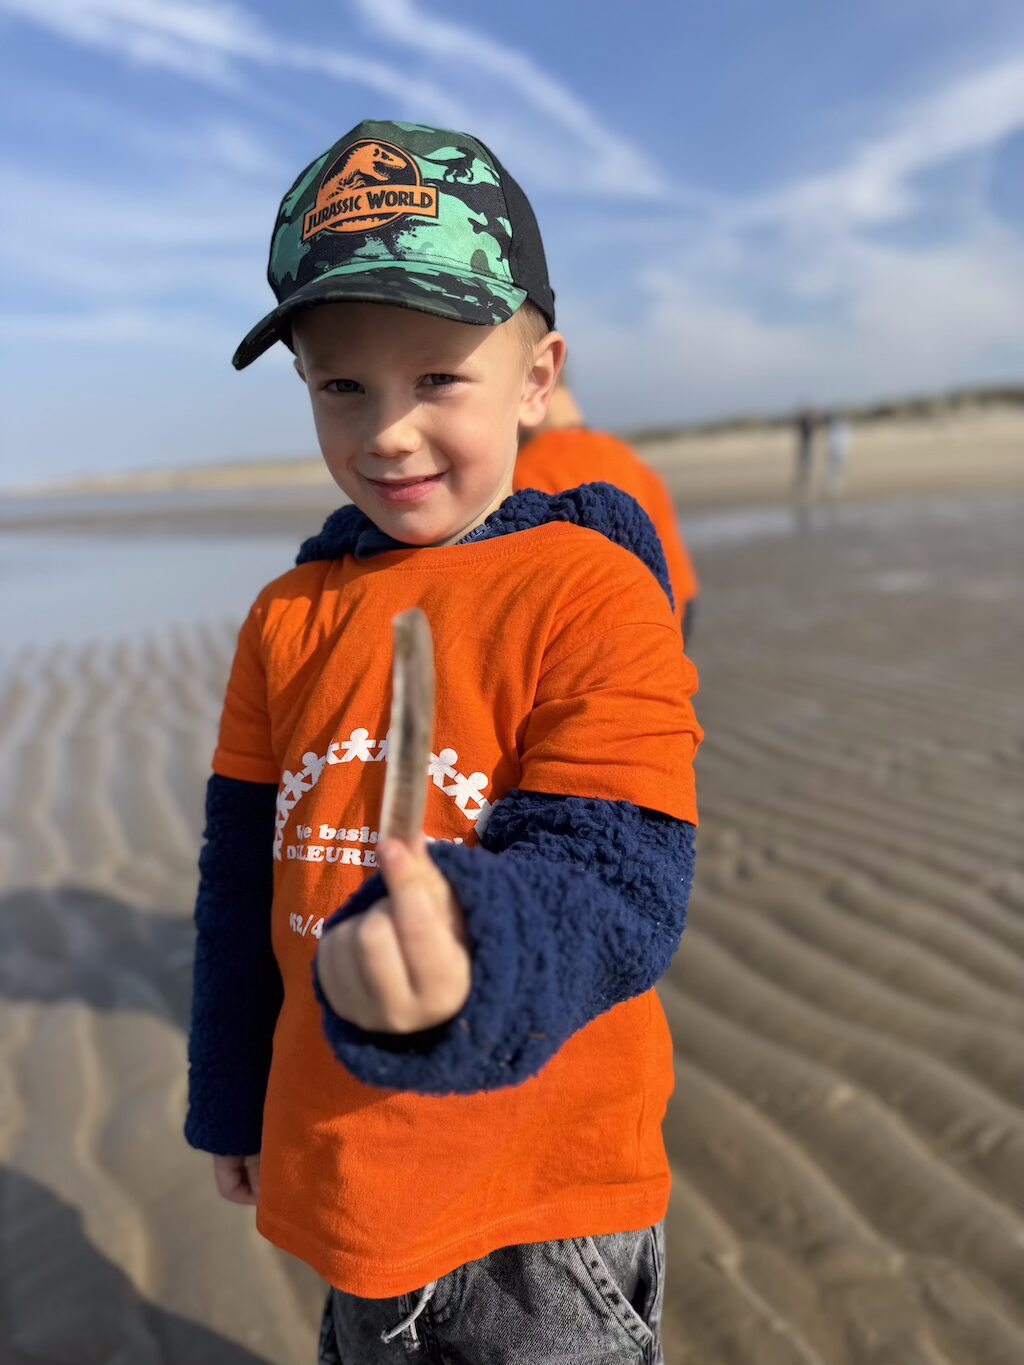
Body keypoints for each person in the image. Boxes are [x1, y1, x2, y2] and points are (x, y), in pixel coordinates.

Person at [184, 118, 702, 1365]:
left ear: (536, 377)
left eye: (436, 379)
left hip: (542, 1211)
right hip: (350, 1178)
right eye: (342, 387)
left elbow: (622, 881)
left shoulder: (592, 591)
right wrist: (231, 1093)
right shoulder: (286, 616)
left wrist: (467, 948)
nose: (387, 430)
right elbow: (237, 879)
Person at [516, 372, 701, 642]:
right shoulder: (628, 458)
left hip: (608, 642)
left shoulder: (525, 474)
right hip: (672, 622)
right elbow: (677, 569)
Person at [825, 410, 850, 497]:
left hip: (841, 451)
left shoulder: (844, 428)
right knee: (833, 469)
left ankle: (836, 485)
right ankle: (831, 485)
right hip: (835, 451)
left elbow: (846, 441)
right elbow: (831, 441)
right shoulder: (834, 428)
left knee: (839, 469)